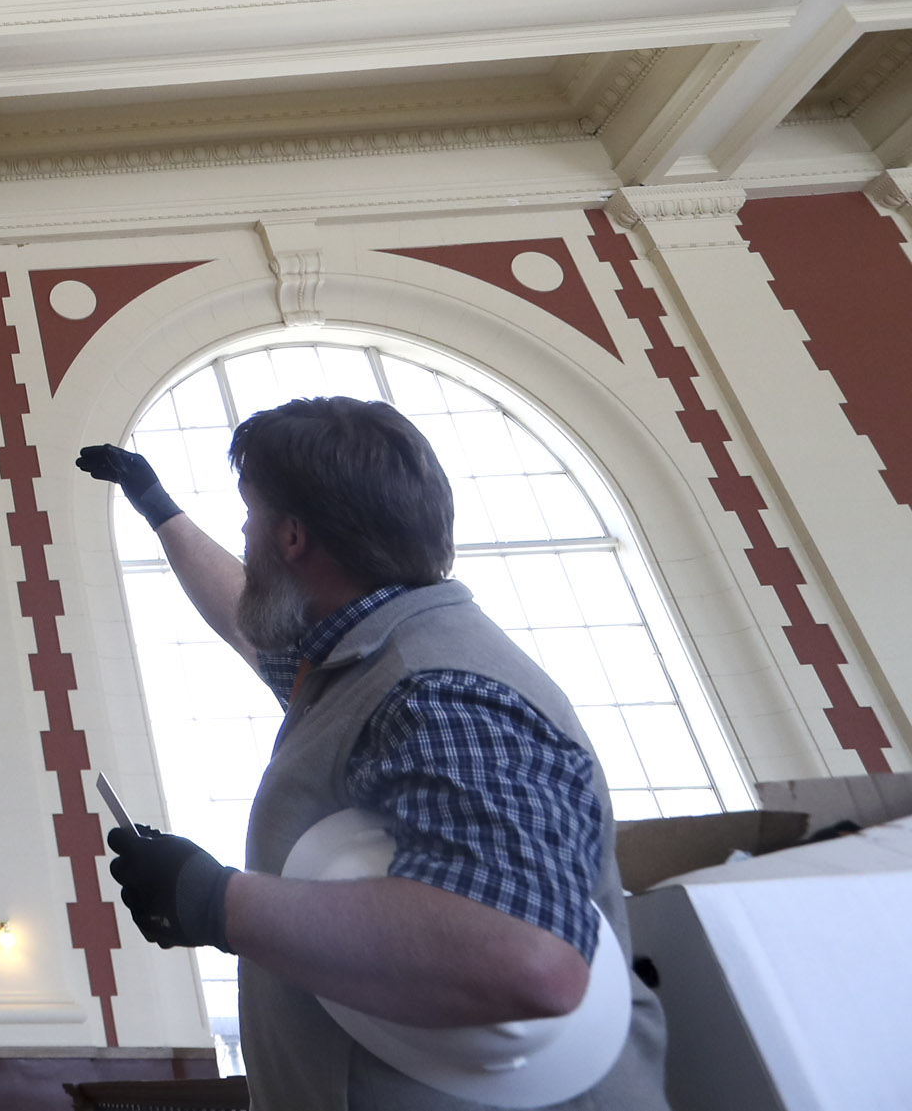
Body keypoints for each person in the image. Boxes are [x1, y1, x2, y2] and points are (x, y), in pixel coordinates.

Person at [77, 396, 668, 1109]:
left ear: (291, 537)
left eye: (251, 515)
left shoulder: (436, 689)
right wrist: (157, 507)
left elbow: (531, 959)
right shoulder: (362, 656)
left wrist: (213, 900)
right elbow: (248, 622)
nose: (244, 532)